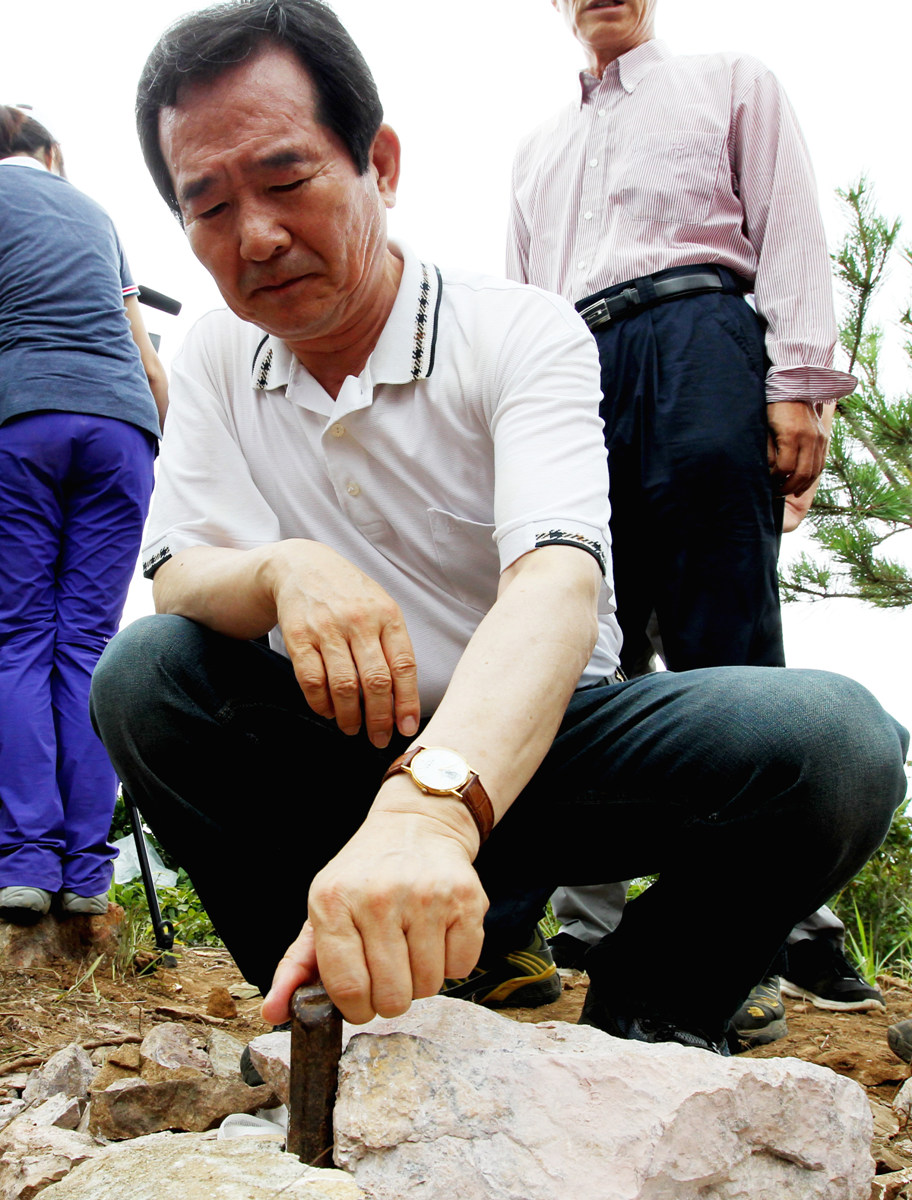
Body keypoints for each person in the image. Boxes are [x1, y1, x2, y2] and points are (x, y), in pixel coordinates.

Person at [89, 0, 908, 1055]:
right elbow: (180, 571)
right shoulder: (212, 355)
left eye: (289, 181)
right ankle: (328, 1006)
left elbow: (558, 579)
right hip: (336, 753)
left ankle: (651, 1015)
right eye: (208, 206)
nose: (256, 236)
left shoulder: (520, 329)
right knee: (147, 673)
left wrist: (429, 810)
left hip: (542, 754)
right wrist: (286, 570)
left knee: (837, 742)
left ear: (379, 163)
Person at [508, 0, 873, 1037]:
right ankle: (586, 913)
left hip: (702, 331)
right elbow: (526, 299)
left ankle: (766, 923)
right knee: (575, 619)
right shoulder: (539, 148)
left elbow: (792, 223)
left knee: (726, 619)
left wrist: (798, 383)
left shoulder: (731, 78)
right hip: (574, 363)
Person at [0, 106, 167, 924]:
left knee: (18, 634)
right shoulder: (93, 211)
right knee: (86, 645)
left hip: (22, 420)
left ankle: (24, 862)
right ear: (50, 153)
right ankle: (86, 872)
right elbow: (144, 350)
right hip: (123, 428)